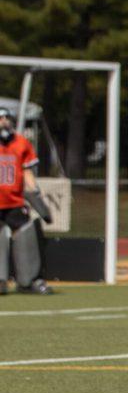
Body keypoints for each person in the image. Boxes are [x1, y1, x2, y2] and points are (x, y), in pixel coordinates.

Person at [0, 106, 53, 295]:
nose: (3, 122)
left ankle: (28, 280)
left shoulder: (21, 143)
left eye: (6, 118)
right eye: (0, 118)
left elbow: (27, 174)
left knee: (24, 234)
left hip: (13, 201)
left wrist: (36, 197)